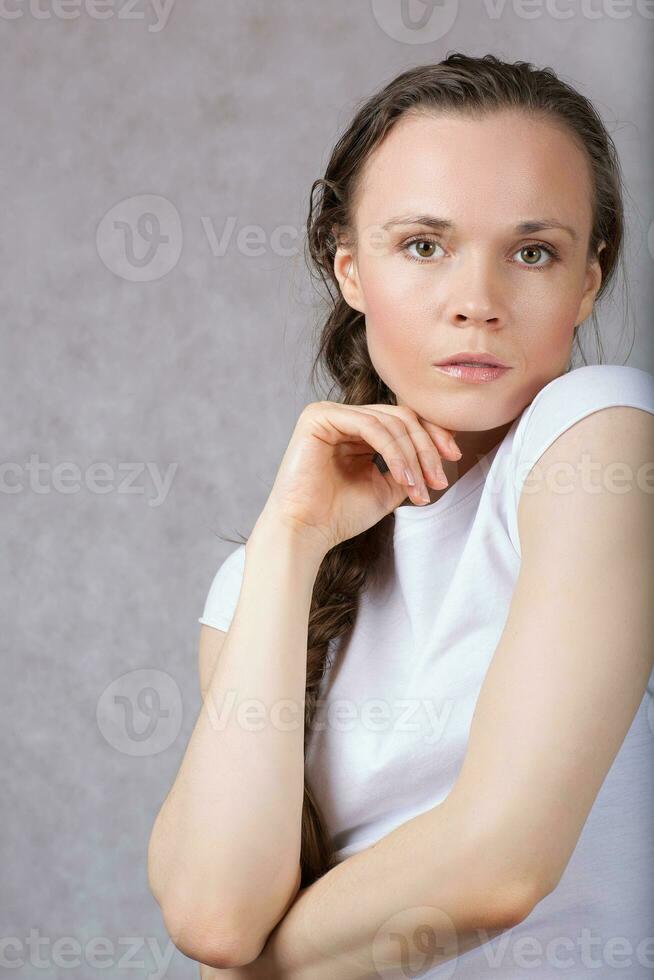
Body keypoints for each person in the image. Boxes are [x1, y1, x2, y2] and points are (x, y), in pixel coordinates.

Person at [148, 53, 654, 978]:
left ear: (590, 278)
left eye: (532, 251)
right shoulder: (262, 582)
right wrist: (291, 536)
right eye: (424, 245)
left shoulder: (604, 436)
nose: (477, 304)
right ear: (350, 270)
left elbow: (499, 865)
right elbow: (214, 915)